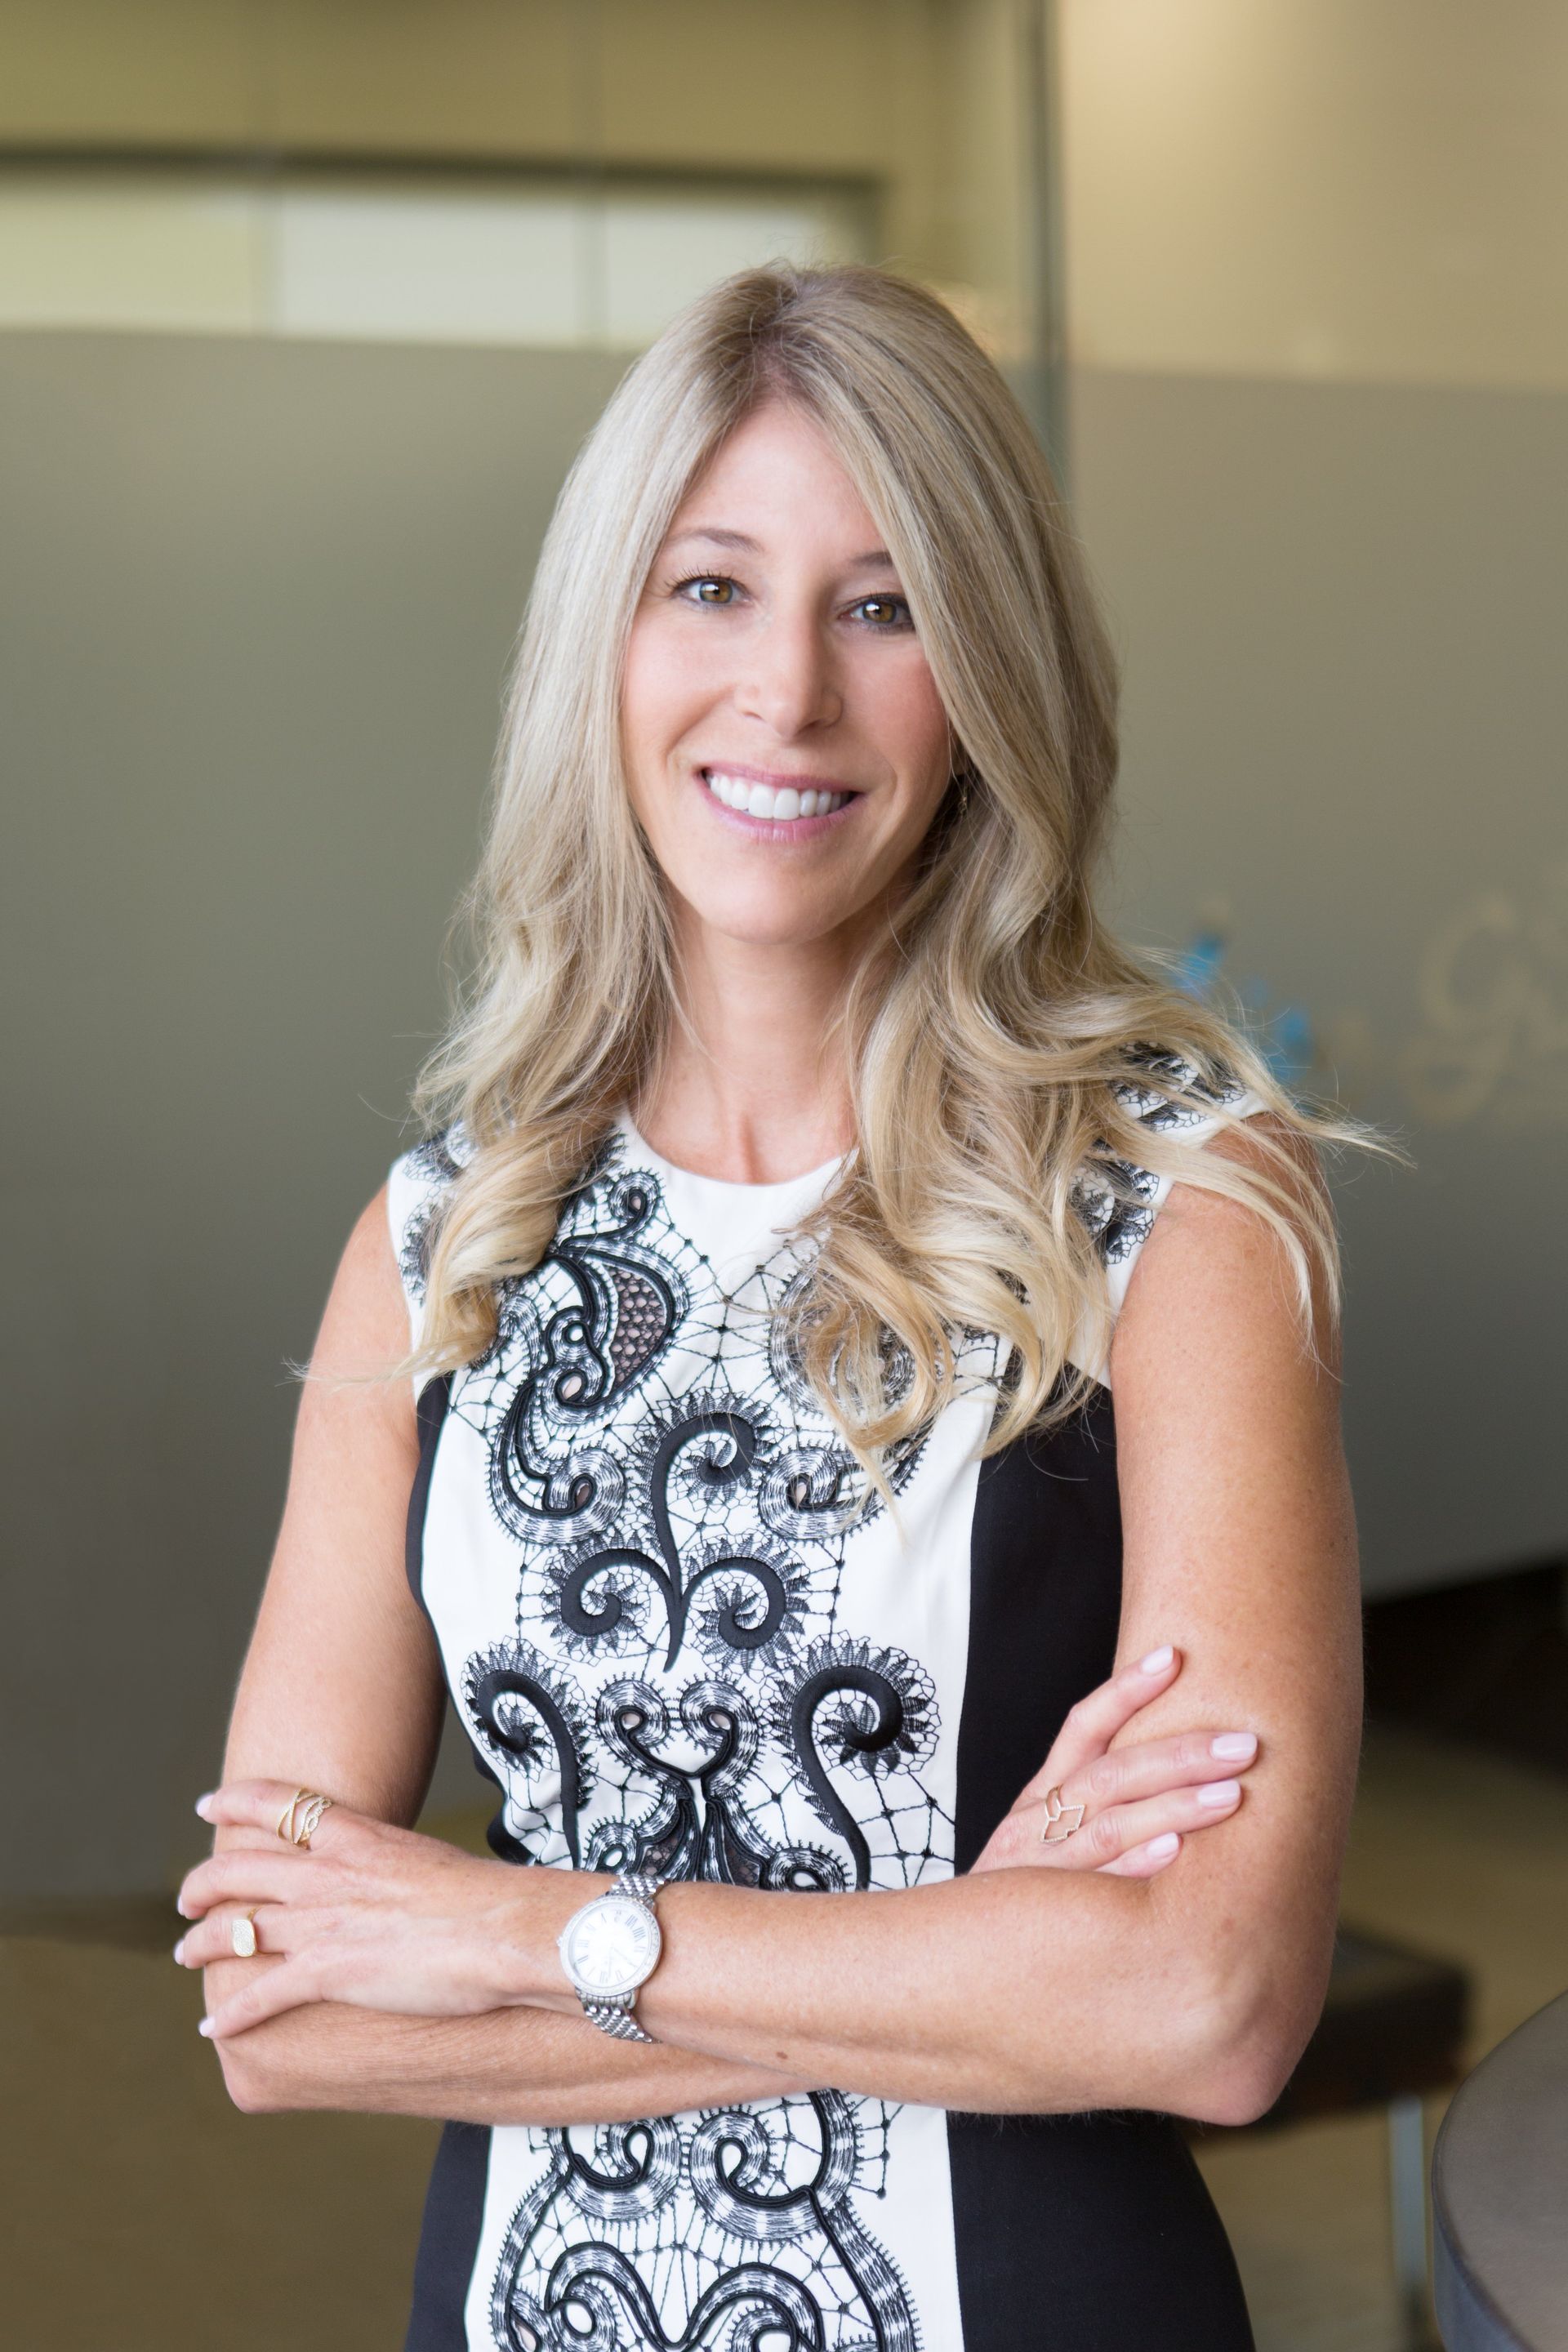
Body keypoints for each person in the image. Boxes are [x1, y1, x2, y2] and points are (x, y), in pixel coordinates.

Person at [175, 265, 1363, 2351]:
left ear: (989, 672)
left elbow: (1209, 1999)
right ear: (603, 645)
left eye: (886, 606)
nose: (787, 695)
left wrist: (510, 1930)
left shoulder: (1174, 1208)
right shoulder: (446, 1237)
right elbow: (275, 2001)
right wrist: (976, 1957)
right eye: (710, 586)